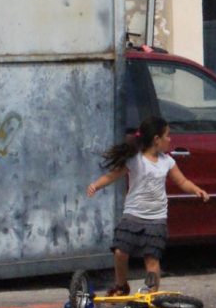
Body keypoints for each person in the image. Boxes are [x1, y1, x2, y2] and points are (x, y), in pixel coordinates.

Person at [86, 117, 209, 295]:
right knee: (120, 252)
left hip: (156, 219)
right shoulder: (135, 159)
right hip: (133, 215)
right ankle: (121, 286)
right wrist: (96, 185)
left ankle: (151, 295)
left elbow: (182, 181)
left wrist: (196, 190)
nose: (170, 139)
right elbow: (112, 175)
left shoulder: (167, 162)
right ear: (156, 139)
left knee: (152, 261)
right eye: (167, 136)